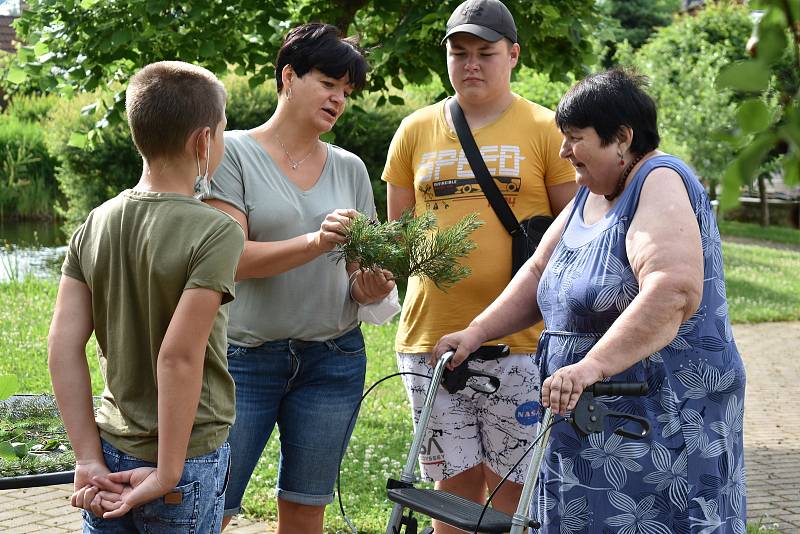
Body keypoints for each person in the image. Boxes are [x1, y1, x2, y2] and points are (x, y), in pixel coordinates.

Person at [433, 69, 747, 533]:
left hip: (658, 420)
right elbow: (540, 272)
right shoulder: (590, 193)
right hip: (587, 417)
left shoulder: (658, 180)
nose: (563, 151)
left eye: (575, 138)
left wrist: (590, 366)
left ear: (622, 138)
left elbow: (673, 288)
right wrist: (475, 332)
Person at [381, 1, 577, 530]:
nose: (471, 64)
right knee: (451, 488)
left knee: (516, 487)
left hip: (523, 340)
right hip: (430, 337)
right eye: (459, 52)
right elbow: (400, 235)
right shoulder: (415, 130)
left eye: (485, 53)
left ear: (512, 54)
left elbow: (578, 232)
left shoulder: (547, 129)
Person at [203, 23, 394, 534]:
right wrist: (315, 241)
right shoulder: (232, 153)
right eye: (329, 83)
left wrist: (372, 287)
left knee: (308, 505)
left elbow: (358, 275)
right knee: (212, 502)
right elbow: (230, 257)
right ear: (288, 76)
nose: (339, 99)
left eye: (347, 92)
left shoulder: (351, 169)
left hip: (333, 360)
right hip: (244, 359)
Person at [47, 61, 244, 532]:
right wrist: (168, 472)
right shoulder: (217, 231)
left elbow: (61, 347)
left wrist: (87, 458)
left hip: (109, 452)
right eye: (221, 132)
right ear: (203, 142)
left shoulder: (95, 222)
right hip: (184, 459)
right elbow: (177, 356)